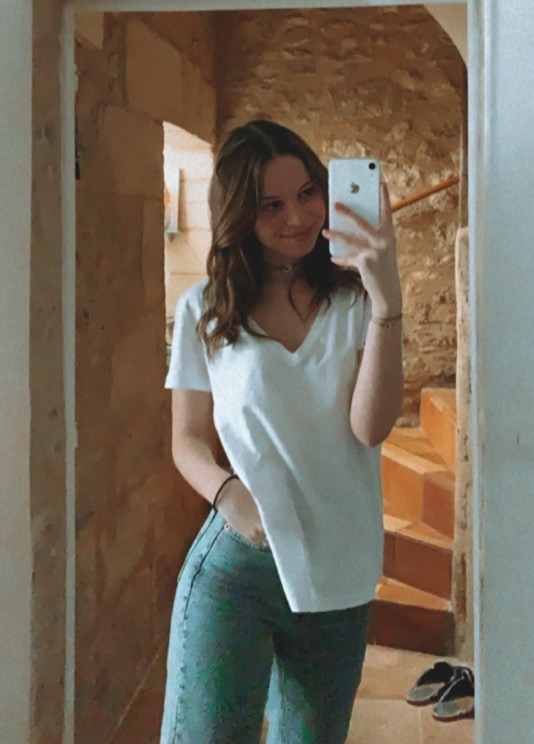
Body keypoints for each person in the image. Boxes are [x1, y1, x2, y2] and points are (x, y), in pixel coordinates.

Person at [160, 119, 404, 744]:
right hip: (239, 565)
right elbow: (186, 439)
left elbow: (369, 428)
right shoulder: (205, 308)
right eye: (270, 205)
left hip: (338, 569)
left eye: (306, 193)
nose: (296, 217)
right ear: (240, 214)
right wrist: (227, 496)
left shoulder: (356, 303)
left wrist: (387, 301)